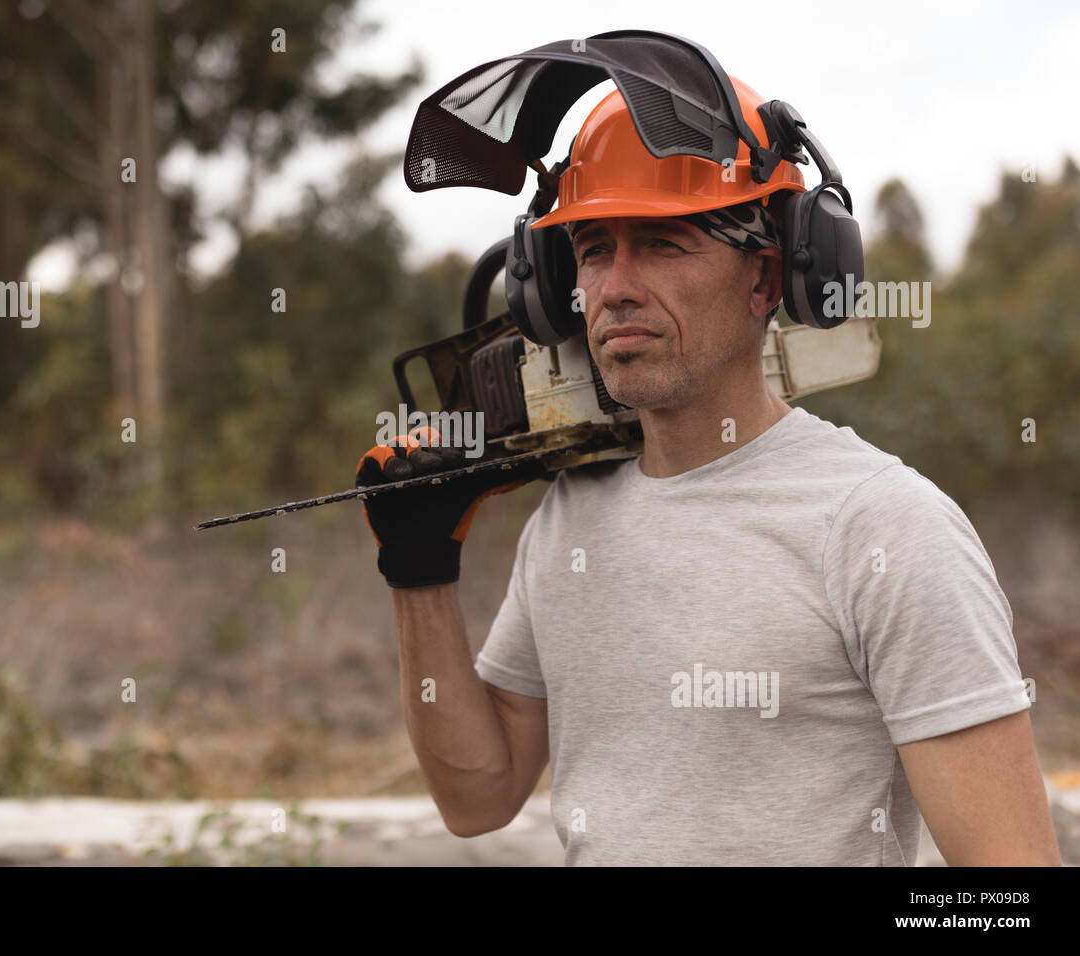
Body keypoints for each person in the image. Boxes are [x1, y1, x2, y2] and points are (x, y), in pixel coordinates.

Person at [356, 79, 1061, 866]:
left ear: (770, 278)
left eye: (663, 242)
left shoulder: (882, 525)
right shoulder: (568, 521)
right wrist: (419, 570)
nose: (617, 287)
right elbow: (476, 798)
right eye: (593, 251)